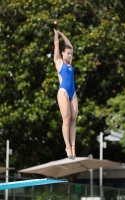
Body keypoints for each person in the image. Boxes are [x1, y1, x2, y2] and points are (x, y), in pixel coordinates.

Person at [53, 29, 78, 160]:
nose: (69, 55)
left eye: (70, 54)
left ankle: (73, 146)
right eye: (67, 53)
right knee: (67, 119)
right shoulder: (59, 63)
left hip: (73, 92)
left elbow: (71, 46)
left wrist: (63, 34)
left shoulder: (70, 65)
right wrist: (57, 36)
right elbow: (56, 46)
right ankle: (67, 146)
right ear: (63, 54)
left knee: (74, 120)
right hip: (63, 92)